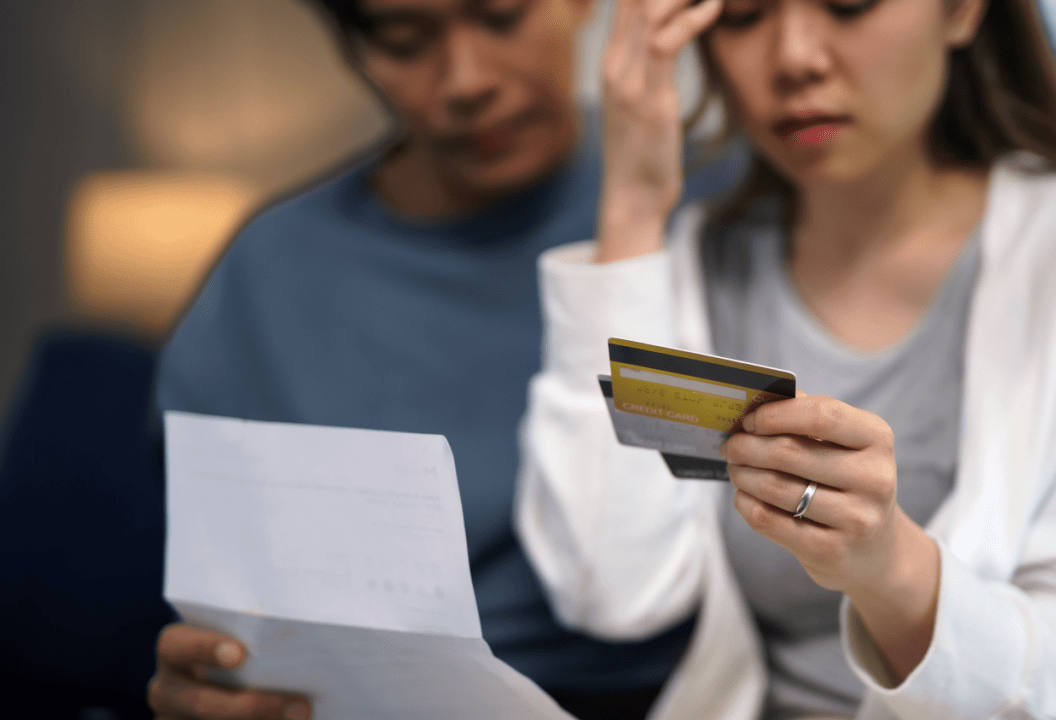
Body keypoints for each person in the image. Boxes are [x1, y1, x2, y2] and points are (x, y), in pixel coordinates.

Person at [515, 0, 1056, 717]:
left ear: (962, 12)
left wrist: (889, 568)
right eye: (745, 15)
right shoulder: (703, 261)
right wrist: (631, 208)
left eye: (849, 4)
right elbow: (610, 593)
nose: (794, 58)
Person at [144, 0, 743, 718]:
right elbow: (227, 608)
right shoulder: (273, 278)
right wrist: (211, 683)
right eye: (404, 40)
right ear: (355, 48)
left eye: (501, 16)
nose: (466, 80)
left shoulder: (723, 201)